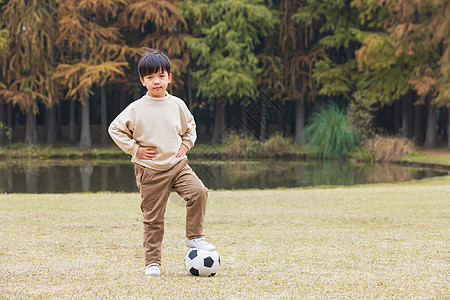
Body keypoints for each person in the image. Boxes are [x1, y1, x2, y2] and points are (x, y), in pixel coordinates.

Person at [108, 48, 215, 276]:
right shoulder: (136, 108)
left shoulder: (177, 104)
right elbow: (115, 129)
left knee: (199, 192)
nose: (156, 81)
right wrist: (135, 149)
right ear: (142, 81)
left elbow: (190, 126)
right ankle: (152, 263)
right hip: (150, 171)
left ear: (169, 77)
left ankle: (195, 238)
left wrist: (186, 144)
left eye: (161, 76)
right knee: (153, 219)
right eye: (150, 77)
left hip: (177, 165)